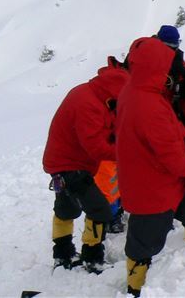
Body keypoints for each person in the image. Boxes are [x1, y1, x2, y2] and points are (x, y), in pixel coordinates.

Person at [116, 37, 185, 297]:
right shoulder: (147, 104)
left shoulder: (141, 92)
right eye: (167, 65)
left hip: (167, 181)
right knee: (142, 244)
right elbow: (169, 155)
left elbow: (170, 125)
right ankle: (136, 289)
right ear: (156, 67)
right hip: (151, 189)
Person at [42, 56, 129, 273]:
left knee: (66, 209)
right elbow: (97, 148)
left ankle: (63, 256)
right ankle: (93, 259)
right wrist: (128, 153)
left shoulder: (94, 94)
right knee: (99, 210)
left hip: (62, 161)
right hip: (70, 164)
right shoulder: (89, 105)